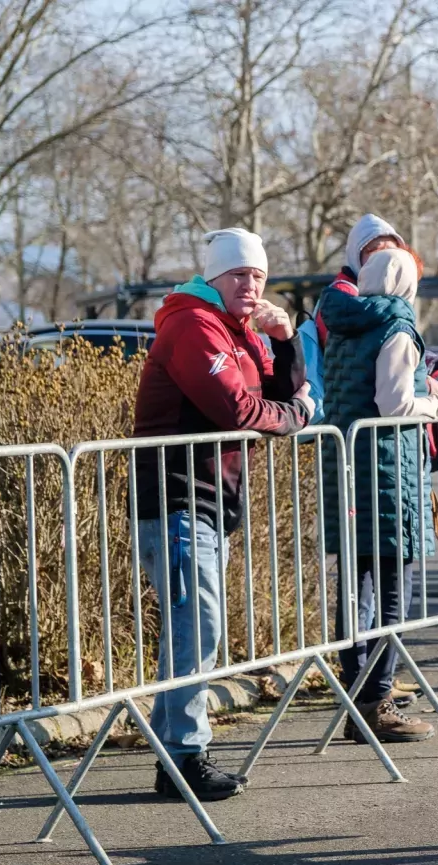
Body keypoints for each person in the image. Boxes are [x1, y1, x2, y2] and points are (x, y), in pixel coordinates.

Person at [133, 228, 314, 800]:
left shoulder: (238, 329)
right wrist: (295, 416)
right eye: (239, 275)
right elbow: (237, 407)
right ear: (213, 278)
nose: (252, 284)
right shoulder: (192, 323)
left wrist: (284, 339)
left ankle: (173, 754)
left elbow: (278, 388)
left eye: (259, 275)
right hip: (177, 499)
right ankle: (184, 757)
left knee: (197, 631)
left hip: (212, 500)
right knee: (197, 629)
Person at [320, 248, 438, 744]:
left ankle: (358, 696)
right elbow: (394, 402)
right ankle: (375, 700)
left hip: (347, 469)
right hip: (389, 472)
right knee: (394, 592)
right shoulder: (397, 326)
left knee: (355, 593)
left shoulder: (344, 323)